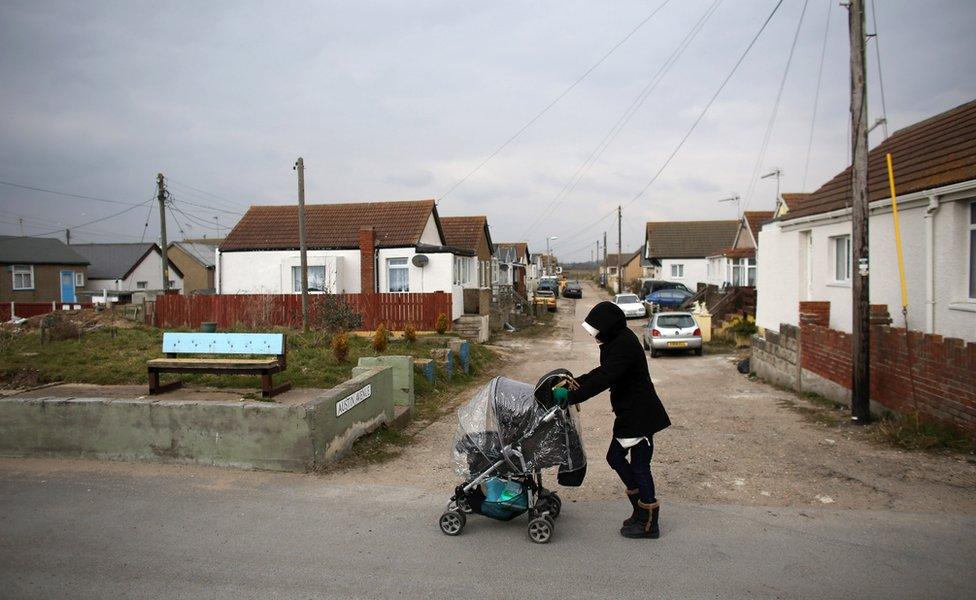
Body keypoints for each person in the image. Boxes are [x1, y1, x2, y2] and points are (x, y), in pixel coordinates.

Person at [553, 300, 670, 539]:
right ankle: (641, 511)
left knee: (632, 464)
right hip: (632, 413)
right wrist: (575, 381)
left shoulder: (624, 345)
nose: (595, 336)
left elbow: (605, 377)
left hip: (639, 414)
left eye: (597, 330)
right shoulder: (617, 340)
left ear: (608, 326)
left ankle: (648, 521)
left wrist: (573, 395)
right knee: (623, 461)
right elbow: (601, 372)